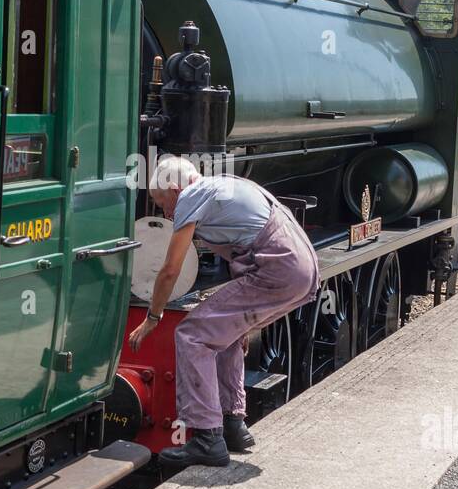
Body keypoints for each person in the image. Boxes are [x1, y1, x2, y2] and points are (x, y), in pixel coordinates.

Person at [128, 156, 320, 468]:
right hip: (300, 268)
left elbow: (169, 270)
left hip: (278, 266)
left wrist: (153, 316)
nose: (165, 213)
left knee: (192, 335)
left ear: (176, 190)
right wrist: (240, 325)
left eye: (162, 203)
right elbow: (239, 257)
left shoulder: (191, 196)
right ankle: (233, 425)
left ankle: (207, 438)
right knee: (223, 333)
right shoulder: (226, 186)